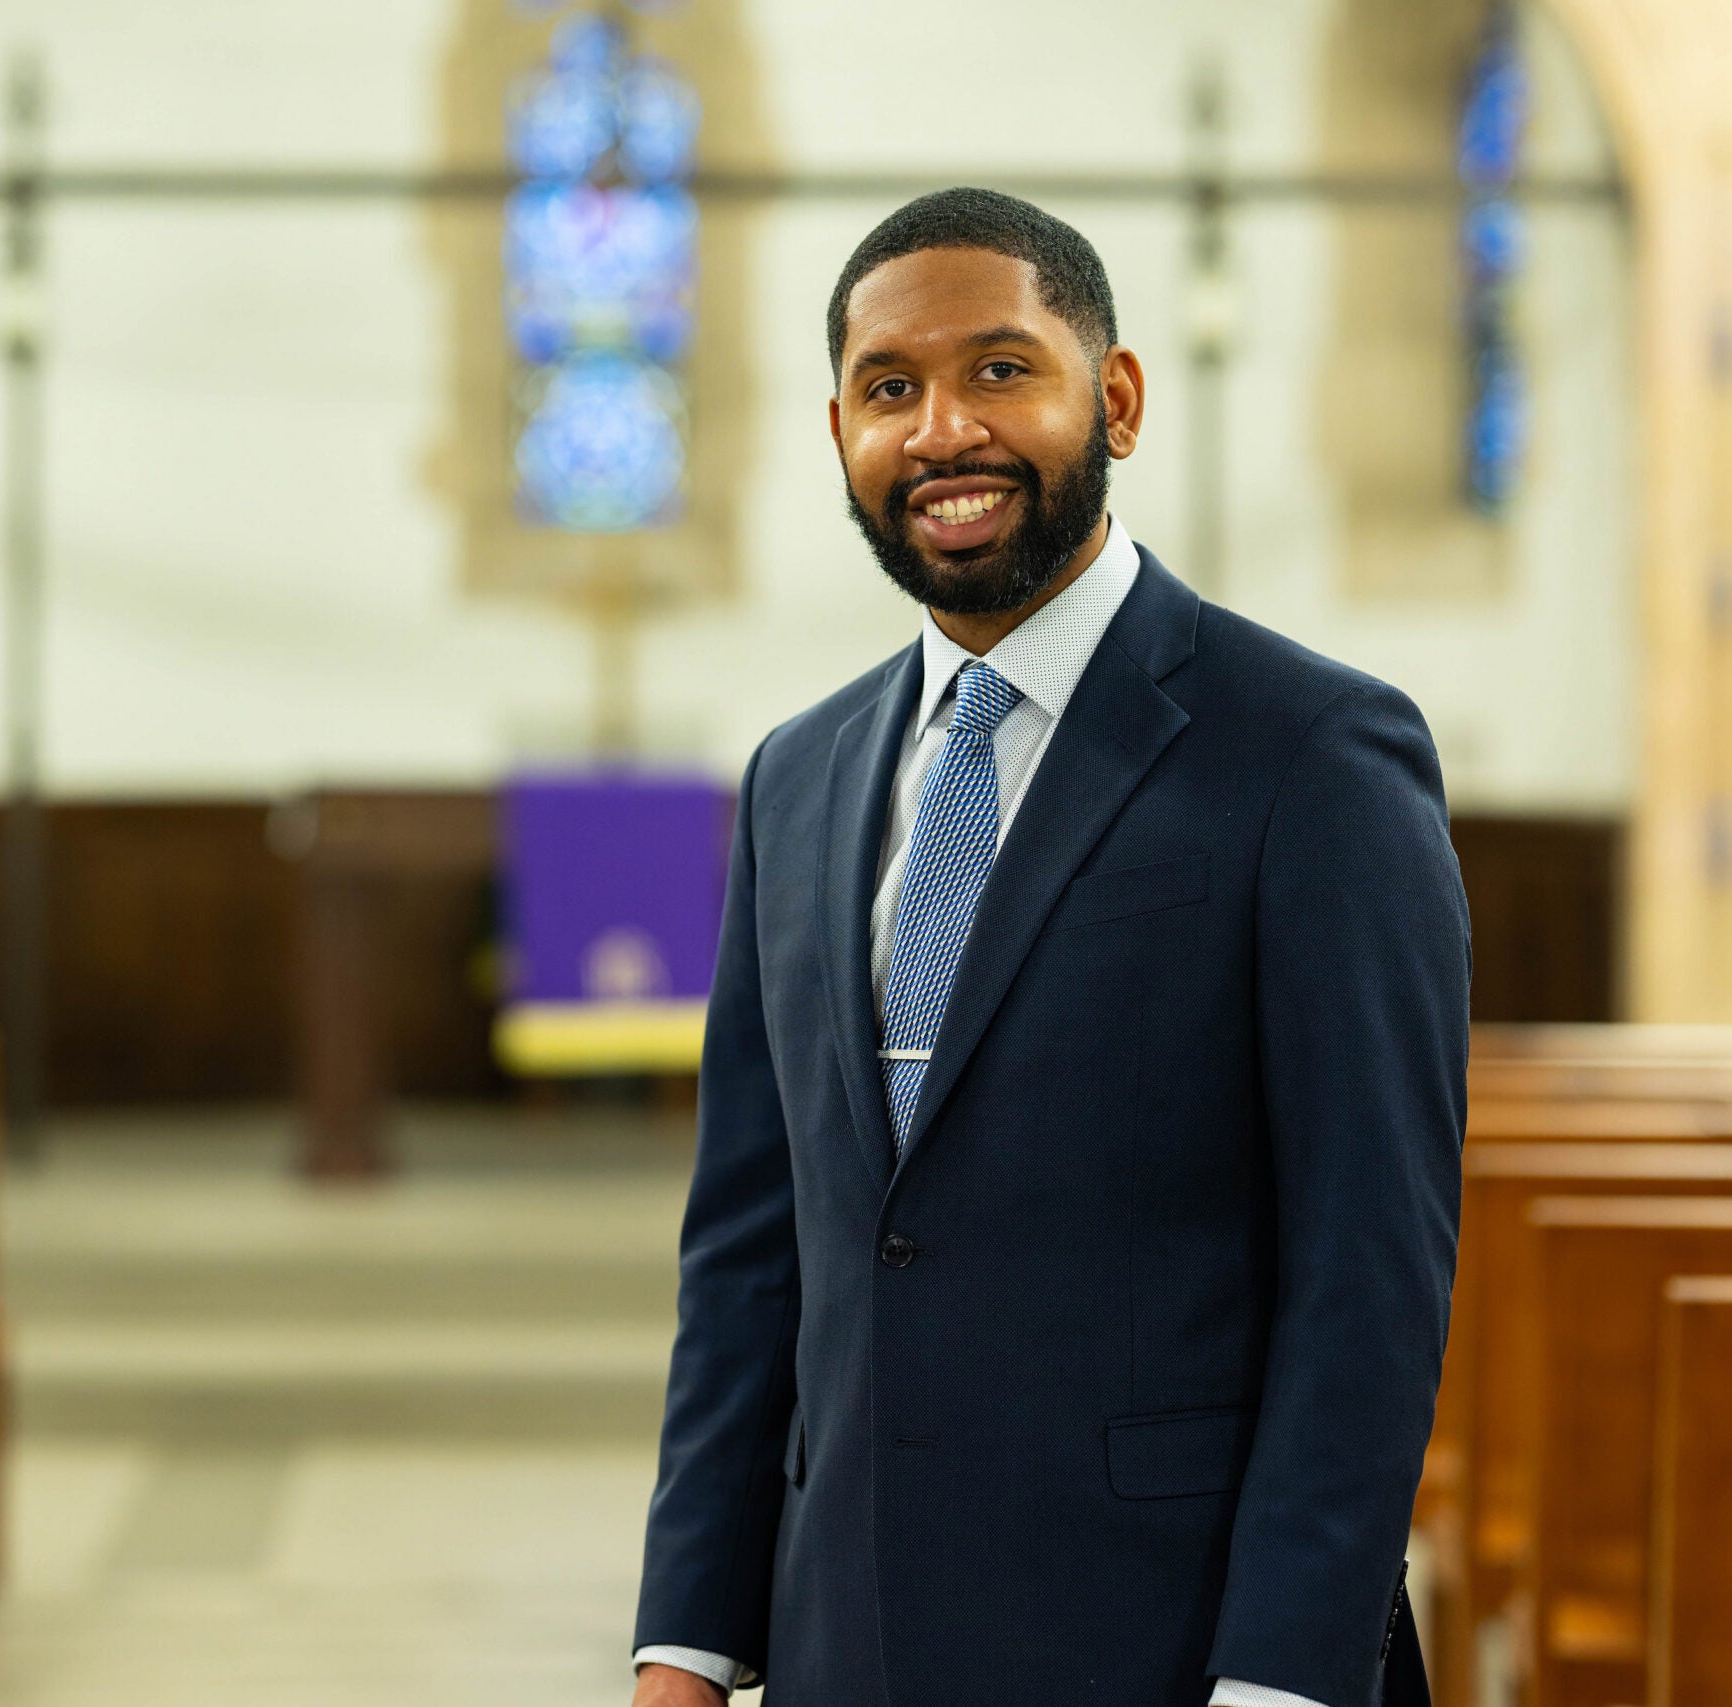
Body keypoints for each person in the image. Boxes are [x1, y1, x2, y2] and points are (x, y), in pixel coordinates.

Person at [628, 188, 1467, 1706]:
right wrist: (687, 1640)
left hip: (1171, 1646)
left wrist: (1282, 1678)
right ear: (840, 439)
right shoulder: (797, 779)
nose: (944, 430)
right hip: (851, 1641)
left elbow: (1371, 1273)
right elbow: (753, 1254)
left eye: (1000, 370)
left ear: (1118, 399)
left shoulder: (1314, 755)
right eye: (892, 390)